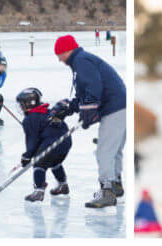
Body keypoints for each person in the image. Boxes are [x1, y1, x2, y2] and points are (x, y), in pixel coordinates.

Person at [53, 34, 126, 208]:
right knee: (113, 148)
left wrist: (90, 108)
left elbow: (94, 87)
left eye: (60, 54)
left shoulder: (81, 61)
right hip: (119, 106)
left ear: (67, 50)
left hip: (114, 108)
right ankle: (115, 184)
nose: (59, 59)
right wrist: (71, 108)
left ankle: (107, 190)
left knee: (104, 151)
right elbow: (85, 93)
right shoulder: (82, 61)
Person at [18, 87, 72, 202]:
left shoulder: (29, 119)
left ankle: (39, 192)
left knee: (39, 164)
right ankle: (63, 185)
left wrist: (27, 156)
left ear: (29, 103)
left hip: (51, 143)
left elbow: (32, 141)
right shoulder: (48, 111)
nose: (21, 107)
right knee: (55, 162)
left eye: (22, 104)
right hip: (66, 142)